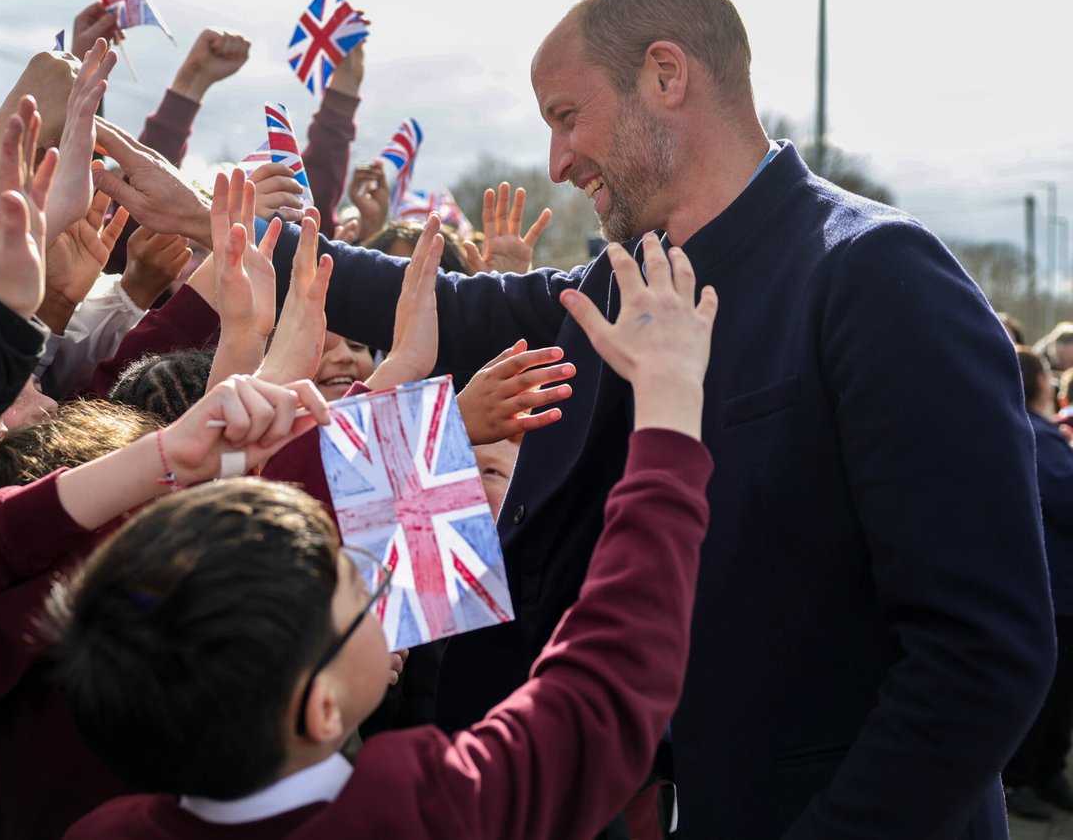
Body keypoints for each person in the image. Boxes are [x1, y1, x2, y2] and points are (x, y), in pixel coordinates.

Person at [91, 0, 1053, 839]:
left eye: (567, 116)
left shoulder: (877, 276)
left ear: (666, 75)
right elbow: (427, 296)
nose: (554, 161)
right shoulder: (622, 278)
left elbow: (984, 655)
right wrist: (218, 223)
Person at [50, 235, 717, 840]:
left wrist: (397, 374)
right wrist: (668, 415)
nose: (382, 586)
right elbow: (606, 684)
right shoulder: (414, 808)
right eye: (358, 590)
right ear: (321, 707)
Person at [1004, 345, 1073, 819]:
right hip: (1054, 591)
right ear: (1040, 385)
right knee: (1047, 691)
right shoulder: (1037, 436)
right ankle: (1022, 778)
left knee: (1061, 693)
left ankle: (1047, 771)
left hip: (1060, 589)